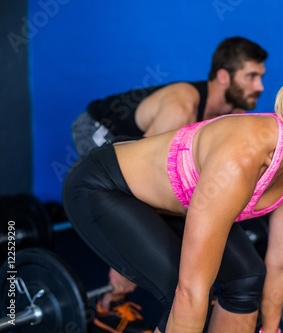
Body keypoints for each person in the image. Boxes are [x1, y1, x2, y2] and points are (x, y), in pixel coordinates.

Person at [62, 48, 283, 333]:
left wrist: (270, 329)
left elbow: (281, 263)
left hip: (174, 202)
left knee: (247, 279)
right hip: (105, 187)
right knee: (182, 290)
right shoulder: (244, 155)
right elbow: (190, 290)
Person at [70, 36, 268, 333]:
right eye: (252, 76)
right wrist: (121, 259)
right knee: (134, 223)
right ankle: (108, 305)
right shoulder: (181, 105)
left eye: (261, 77)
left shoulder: (233, 116)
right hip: (100, 133)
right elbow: (141, 183)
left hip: (140, 151)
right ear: (224, 76)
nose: (260, 86)